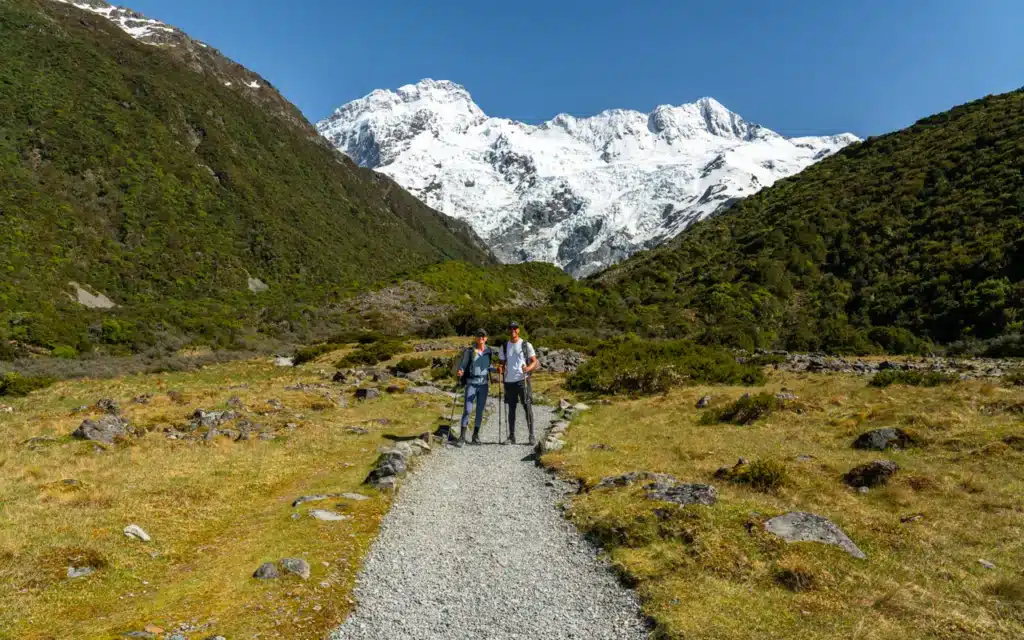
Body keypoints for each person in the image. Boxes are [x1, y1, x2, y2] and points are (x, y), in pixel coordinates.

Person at [497, 321, 538, 445]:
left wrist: (528, 369)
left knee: (527, 407)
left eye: (515, 328)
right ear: (508, 330)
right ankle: (511, 437)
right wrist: (499, 368)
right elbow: (502, 364)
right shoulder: (504, 346)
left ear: (518, 330)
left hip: (523, 380)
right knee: (511, 409)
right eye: (510, 328)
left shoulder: (526, 345)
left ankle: (531, 435)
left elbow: (534, 361)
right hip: (509, 382)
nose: (513, 330)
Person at [455, 328, 494, 447]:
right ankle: (462, 437)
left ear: (486, 338)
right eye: (478, 336)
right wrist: (460, 370)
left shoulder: (489, 351)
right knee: (467, 409)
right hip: (471, 383)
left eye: (483, 336)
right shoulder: (470, 351)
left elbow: (489, 366)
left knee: (480, 411)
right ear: (476, 338)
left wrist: (497, 369)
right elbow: (463, 365)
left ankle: (475, 436)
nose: (481, 338)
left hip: (483, 385)